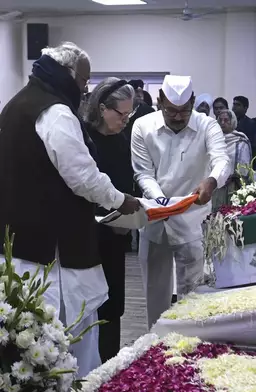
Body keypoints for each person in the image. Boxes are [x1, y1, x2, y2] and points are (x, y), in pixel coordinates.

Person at [0, 42, 141, 376]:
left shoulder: (14, 105)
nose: (85, 90)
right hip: (55, 253)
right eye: (84, 82)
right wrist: (122, 200)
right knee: (71, 340)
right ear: (70, 75)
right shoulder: (55, 112)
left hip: (20, 244)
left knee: (28, 340)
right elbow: (83, 177)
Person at [131, 75, 230, 328]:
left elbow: (222, 160)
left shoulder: (208, 125)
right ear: (159, 101)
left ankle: (189, 347)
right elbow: (143, 172)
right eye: (170, 111)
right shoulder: (142, 126)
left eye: (184, 111)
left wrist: (211, 181)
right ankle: (156, 347)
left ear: (193, 102)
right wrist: (161, 200)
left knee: (193, 295)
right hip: (156, 220)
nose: (177, 117)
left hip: (193, 221)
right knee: (156, 295)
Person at [82, 78, 138, 362]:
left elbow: (127, 184)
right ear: (102, 108)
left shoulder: (121, 140)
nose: (125, 121)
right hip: (87, 238)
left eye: (130, 115)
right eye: (121, 114)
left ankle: (110, 366)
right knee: (90, 306)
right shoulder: (84, 139)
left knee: (114, 306)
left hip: (116, 235)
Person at [211, 108, 252, 210]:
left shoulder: (240, 140)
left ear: (232, 121)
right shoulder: (213, 139)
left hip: (234, 185)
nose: (222, 123)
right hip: (215, 184)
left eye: (226, 120)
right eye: (220, 120)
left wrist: (233, 176)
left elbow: (244, 166)